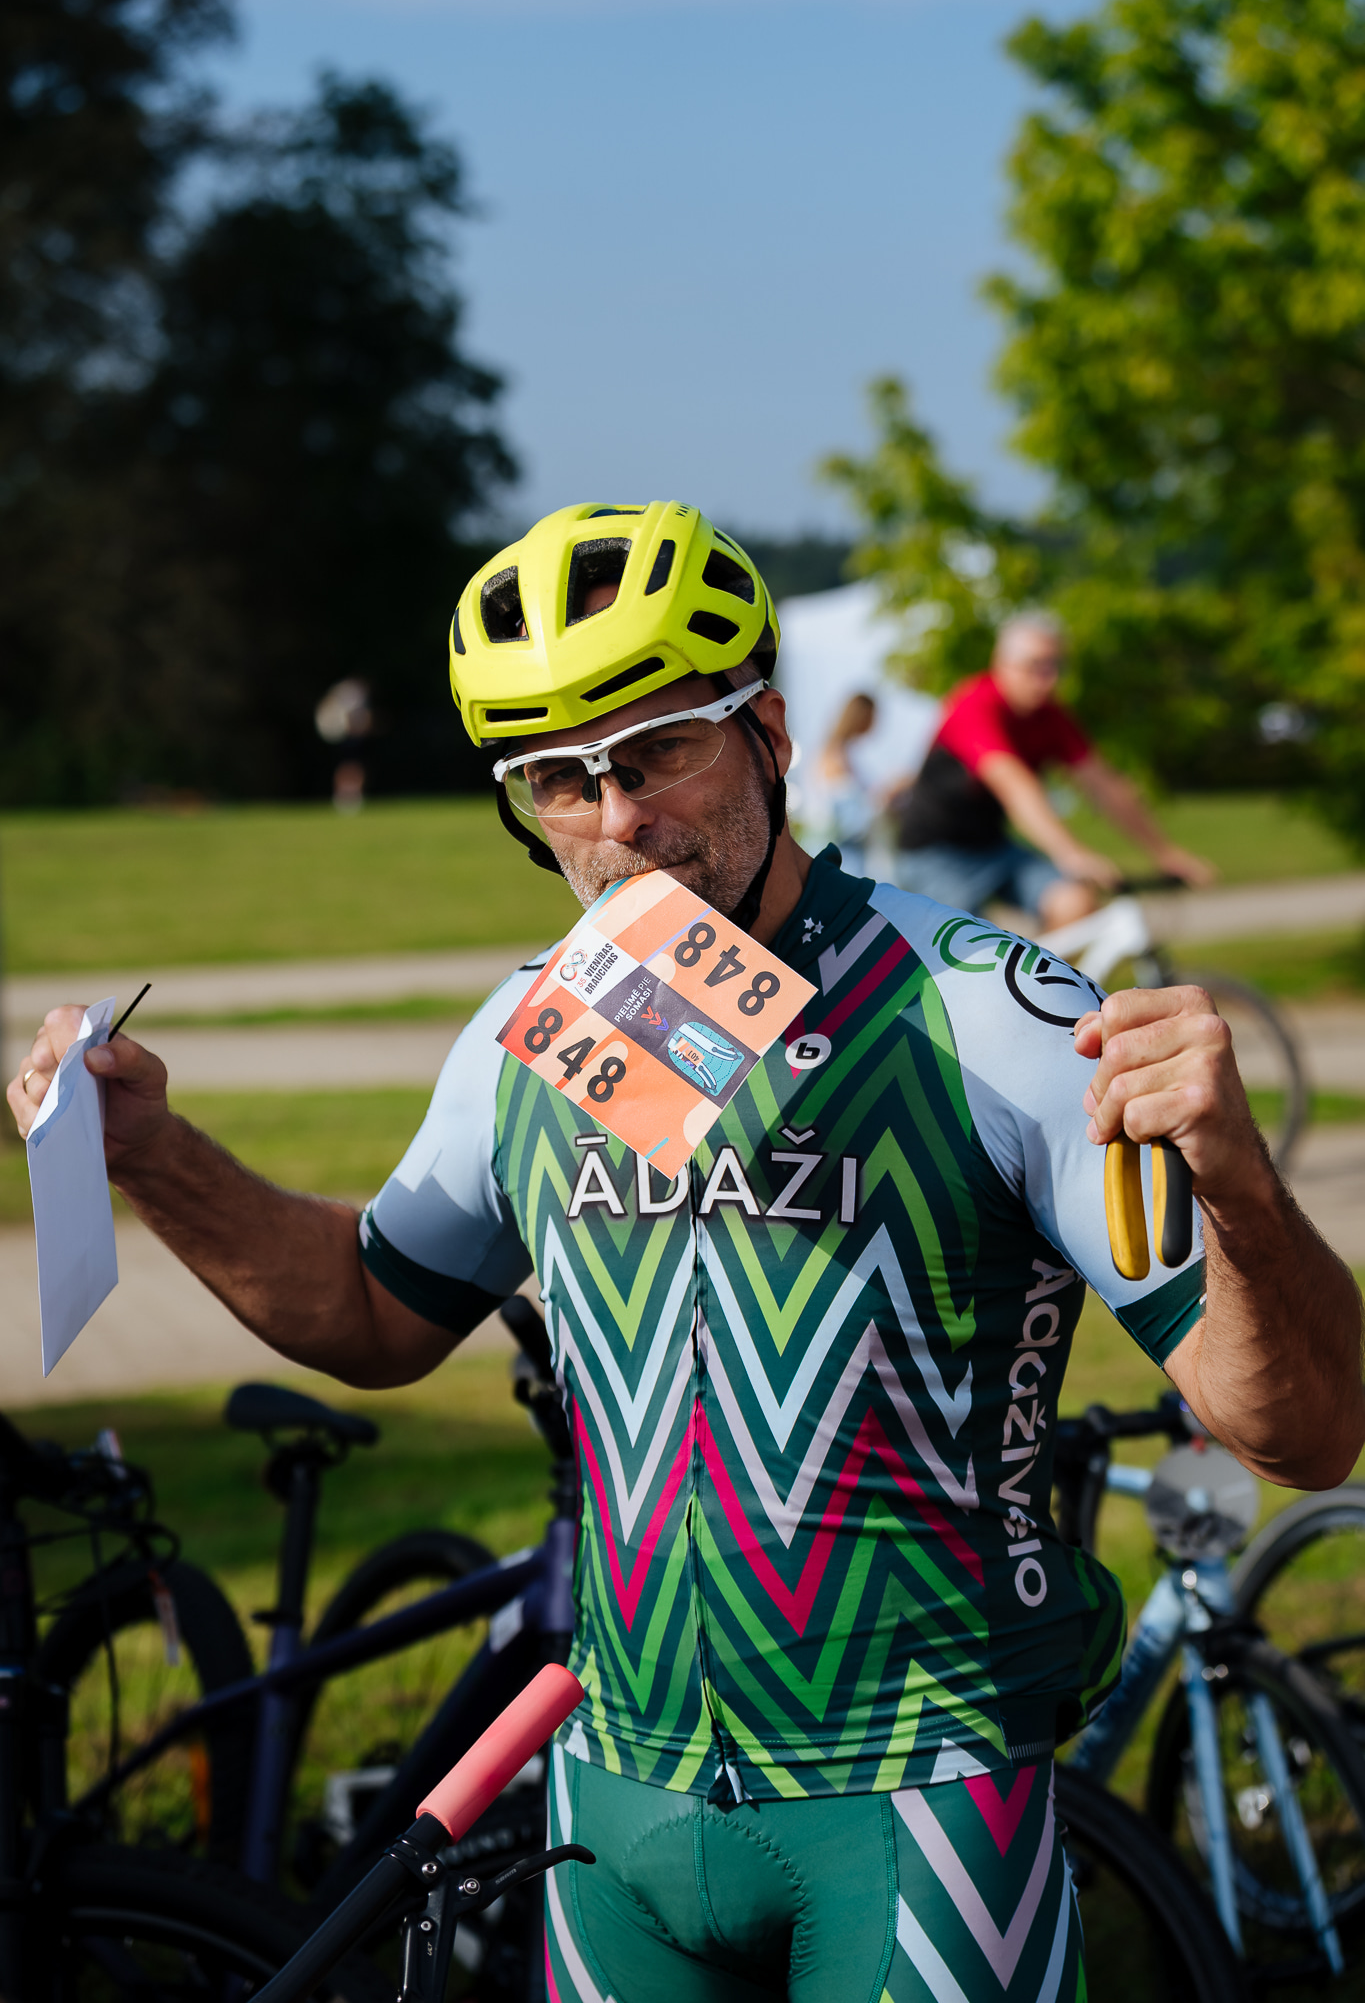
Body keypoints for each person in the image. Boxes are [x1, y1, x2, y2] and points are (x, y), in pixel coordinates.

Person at [9, 501, 1362, 2003]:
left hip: (917, 1791)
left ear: (770, 734)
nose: (619, 822)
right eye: (557, 781)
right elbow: (372, 1308)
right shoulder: (534, 1025)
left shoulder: (990, 1009)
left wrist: (1240, 1189)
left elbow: (1301, 1431)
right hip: (616, 1806)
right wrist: (156, 1154)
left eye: (656, 753)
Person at [893, 610, 1215, 929]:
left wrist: (1165, 853)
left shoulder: (1049, 716)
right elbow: (1014, 785)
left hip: (993, 846)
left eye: (1055, 666)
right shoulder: (973, 704)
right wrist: (1071, 853)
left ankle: (1045, 966)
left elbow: (1104, 785)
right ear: (1001, 663)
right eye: (1034, 666)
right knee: (968, 944)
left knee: (1075, 903)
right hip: (933, 854)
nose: (1048, 679)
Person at [813, 690, 877, 875]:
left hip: (849, 854)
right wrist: (881, 800)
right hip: (845, 858)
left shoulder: (839, 752)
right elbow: (849, 819)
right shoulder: (835, 757)